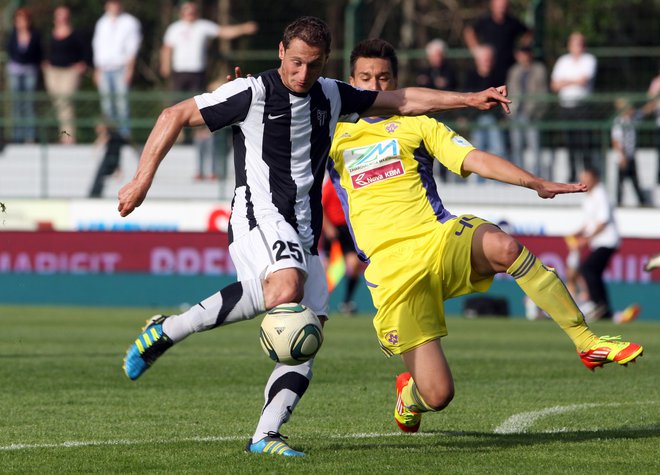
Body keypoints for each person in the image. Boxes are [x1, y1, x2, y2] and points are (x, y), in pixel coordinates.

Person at [118, 16, 512, 457]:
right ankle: (170, 330)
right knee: (286, 286)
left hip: (304, 227)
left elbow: (402, 100)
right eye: (297, 63)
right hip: (258, 212)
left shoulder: (330, 94)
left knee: (307, 331)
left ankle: (265, 435)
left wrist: (469, 99)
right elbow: (174, 114)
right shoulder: (251, 91)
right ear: (281, 53)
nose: (303, 75)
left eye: (314, 65)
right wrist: (140, 181)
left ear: (325, 64)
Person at [326, 38, 642, 434]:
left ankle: (586, 341)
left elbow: (474, 158)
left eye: (384, 78)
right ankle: (410, 395)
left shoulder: (417, 125)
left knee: (505, 246)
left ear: (397, 83)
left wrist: (534, 182)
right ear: (350, 81)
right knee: (438, 395)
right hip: (391, 271)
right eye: (365, 78)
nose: (375, 86)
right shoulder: (331, 133)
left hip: (438, 238)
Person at [160, 1, 258, 94]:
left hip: (197, 70)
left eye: (192, 12)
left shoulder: (203, 25)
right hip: (179, 70)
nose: (190, 14)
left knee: (196, 101)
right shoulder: (174, 28)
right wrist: (165, 65)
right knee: (177, 102)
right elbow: (167, 48)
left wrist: (243, 28)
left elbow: (224, 32)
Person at [550, 32, 597, 182]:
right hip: (566, 107)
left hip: (582, 108)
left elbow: (583, 80)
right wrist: (573, 81)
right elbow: (554, 85)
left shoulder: (589, 60)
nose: (578, 46)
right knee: (569, 144)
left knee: (585, 143)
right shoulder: (562, 61)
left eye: (580, 43)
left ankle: (589, 176)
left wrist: (564, 81)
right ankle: (572, 175)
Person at [92, 0, 141, 138]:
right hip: (104, 69)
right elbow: (97, 47)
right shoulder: (102, 22)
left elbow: (133, 48)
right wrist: (97, 70)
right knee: (107, 104)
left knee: (122, 103)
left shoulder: (130, 22)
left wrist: (130, 69)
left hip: (121, 68)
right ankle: (110, 134)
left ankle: (124, 135)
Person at [42, 5, 88, 144]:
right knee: (57, 104)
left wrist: (82, 64)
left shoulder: (76, 34)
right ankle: (61, 135)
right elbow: (46, 50)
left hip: (69, 72)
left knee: (66, 103)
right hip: (53, 72)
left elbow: (85, 51)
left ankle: (68, 138)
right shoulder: (50, 33)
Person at [463, 0, 531, 86]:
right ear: (492, 6)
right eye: (499, 5)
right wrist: (476, 50)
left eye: (504, 5)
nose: (501, 8)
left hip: (508, 65)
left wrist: (520, 49)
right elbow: (469, 31)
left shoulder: (513, 22)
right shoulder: (485, 21)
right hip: (490, 68)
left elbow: (528, 32)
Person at [321, 178, 364, 314]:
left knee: (355, 264)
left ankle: (346, 302)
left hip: (348, 229)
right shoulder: (331, 183)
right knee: (325, 267)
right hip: (333, 228)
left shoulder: (353, 181)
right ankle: (318, 301)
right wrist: (328, 227)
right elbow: (320, 206)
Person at [506, 45, 548, 174]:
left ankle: (536, 174)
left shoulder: (539, 69)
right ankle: (518, 174)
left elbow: (542, 93)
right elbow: (509, 90)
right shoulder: (514, 71)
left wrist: (538, 111)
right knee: (516, 146)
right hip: (516, 114)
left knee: (534, 146)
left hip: (532, 114)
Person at [6, 7, 42, 144]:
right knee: (17, 104)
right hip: (16, 71)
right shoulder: (13, 35)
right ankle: (17, 136)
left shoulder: (35, 35)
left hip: (30, 70)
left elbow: (38, 53)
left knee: (29, 103)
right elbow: (10, 51)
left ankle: (30, 136)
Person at [463, 45, 506, 159]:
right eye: (484, 59)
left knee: (498, 150)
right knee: (477, 151)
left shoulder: (498, 76)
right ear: (478, 60)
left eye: (489, 58)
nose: (487, 61)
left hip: (493, 118)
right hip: (476, 118)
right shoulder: (470, 76)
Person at [611, 98, 647, 206]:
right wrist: (621, 156)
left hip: (630, 155)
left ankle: (642, 202)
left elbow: (645, 111)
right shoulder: (618, 121)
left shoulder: (633, 119)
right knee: (621, 182)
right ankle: (619, 202)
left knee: (635, 181)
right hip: (623, 156)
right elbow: (616, 141)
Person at [89, 118, 127, 198]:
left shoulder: (109, 133)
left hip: (109, 159)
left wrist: (96, 147)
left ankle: (94, 194)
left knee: (99, 177)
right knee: (103, 177)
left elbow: (103, 139)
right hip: (115, 160)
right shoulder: (117, 135)